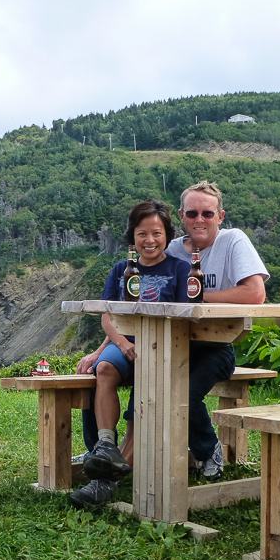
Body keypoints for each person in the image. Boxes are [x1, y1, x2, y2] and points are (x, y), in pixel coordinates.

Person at [69, 199, 190, 508]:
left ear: (167, 235)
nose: (149, 240)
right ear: (132, 237)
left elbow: (184, 316)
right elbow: (107, 314)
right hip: (125, 343)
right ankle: (106, 444)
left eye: (156, 233)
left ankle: (106, 481)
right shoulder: (122, 269)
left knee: (144, 398)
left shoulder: (180, 269)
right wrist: (121, 344)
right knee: (105, 370)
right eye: (141, 234)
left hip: (161, 347)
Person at [165, 180, 269, 480]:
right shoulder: (172, 250)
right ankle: (114, 450)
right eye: (193, 213)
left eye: (207, 214)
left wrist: (196, 298)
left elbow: (254, 293)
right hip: (174, 345)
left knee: (181, 393)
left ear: (220, 217)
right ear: (181, 215)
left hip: (219, 348)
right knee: (140, 382)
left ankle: (208, 448)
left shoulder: (233, 240)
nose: (200, 220)